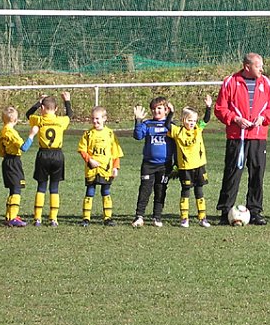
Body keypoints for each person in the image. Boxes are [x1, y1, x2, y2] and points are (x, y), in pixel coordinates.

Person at [214, 52, 270, 225]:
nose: (262, 69)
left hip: (258, 137)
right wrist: (235, 119)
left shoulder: (266, 83)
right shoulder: (230, 82)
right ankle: (225, 211)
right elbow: (220, 108)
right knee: (232, 173)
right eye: (259, 66)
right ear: (247, 67)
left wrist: (263, 118)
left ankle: (255, 211)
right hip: (237, 137)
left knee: (257, 173)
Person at [23, 92, 72, 227]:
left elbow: (28, 114)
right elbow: (70, 115)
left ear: (42, 109)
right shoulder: (61, 121)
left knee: (41, 186)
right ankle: (53, 219)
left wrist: (38, 102)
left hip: (43, 155)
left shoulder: (39, 120)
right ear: (56, 109)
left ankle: (37, 218)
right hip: (57, 155)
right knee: (54, 187)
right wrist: (67, 101)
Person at [167, 95, 213, 228]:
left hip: (199, 166)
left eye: (193, 120)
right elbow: (166, 125)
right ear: (183, 120)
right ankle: (184, 218)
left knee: (199, 192)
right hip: (185, 168)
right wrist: (171, 113)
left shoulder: (198, 129)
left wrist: (208, 106)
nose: (192, 123)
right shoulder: (177, 131)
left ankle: (202, 218)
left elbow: (206, 119)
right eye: (189, 120)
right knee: (185, 191)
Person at [132, 96, 175, 228]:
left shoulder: (171, 126)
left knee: (160, 190)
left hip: (165, 165)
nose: (156, 111)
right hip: (148, 164)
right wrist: (138, 120)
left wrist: (178, 164)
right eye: (154, 109)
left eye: (159, 108)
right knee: (145, 190)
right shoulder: (147, 124)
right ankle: (139, 216)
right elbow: (138, 136)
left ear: (166, 110)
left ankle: (157, 217)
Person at [78, 106, 124, 227]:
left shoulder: (110, 134)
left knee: (106, 191)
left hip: (106, 169)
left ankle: (107, 218)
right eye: (93, 119)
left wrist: (115, 167)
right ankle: (86, 218)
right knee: (90, 191)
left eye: (97, 119)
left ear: (104, 119)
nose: (95, 121)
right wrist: (90, 160)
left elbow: (115, 153)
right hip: (92, 170)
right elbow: (82, 150)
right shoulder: (88, 134)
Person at [0, 106, 28, 227]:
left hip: (6, 160)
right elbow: (24, 147)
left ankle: (9, 215)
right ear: (15, 120)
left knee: (12, 189)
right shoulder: (12, 133)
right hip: (14, 161)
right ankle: (13, 218)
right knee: (16, 189)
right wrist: (32, 135)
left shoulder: (3, 131)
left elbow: (1, 150)